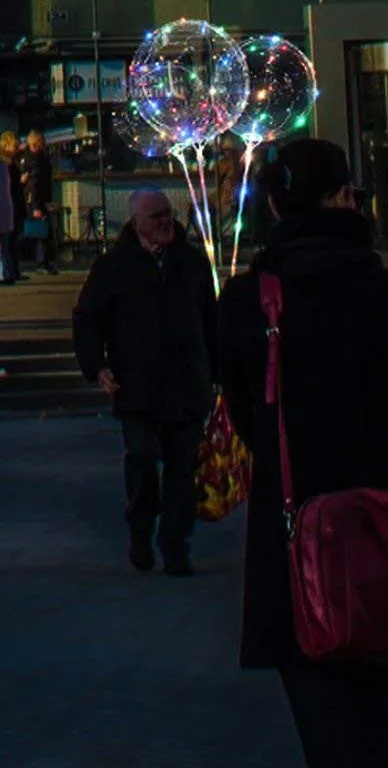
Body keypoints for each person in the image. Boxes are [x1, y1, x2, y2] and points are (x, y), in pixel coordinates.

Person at [219, 139, 388, 768]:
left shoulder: (246, 300)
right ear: (344, 199)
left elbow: (243, 415)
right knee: (379, 733)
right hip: (386, 526)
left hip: (294, 531)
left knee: (327, 735)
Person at [72, 189, 217, 575]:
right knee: (141, 460)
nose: (164, 222)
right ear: (136, 222)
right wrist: (96, 365)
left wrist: (218, 374)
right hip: (137, 386)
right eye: (155, 217)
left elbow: (211, 320)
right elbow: (88, 317)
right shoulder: (114, 266)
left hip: (187, 384)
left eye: (167, 214)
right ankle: (140, 531)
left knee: (182, 470)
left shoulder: (190, 262)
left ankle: (176, 546)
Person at [21, 129, 57, 274]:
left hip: (32, 198)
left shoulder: (26, 158)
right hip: (36, 199)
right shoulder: (37, 160)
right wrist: (36, 205)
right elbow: (35, 183)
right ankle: (42, 262)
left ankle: (41, 261)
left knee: (38, 231)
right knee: (42, 232)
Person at [1, 131, 26, 281]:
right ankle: (10, 271)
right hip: (10, 204)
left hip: (11, 203)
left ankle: (11, 271)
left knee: (10, 241)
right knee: (8, 242)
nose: (16, 149)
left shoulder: (10, 163)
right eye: (14, 146)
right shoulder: (7, 165)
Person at [0, 133, 14, 284]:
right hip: (5, 208)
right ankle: (7, 273)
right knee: (5, 245)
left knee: (3, 247)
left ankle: (4, 274)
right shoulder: (5, 167)